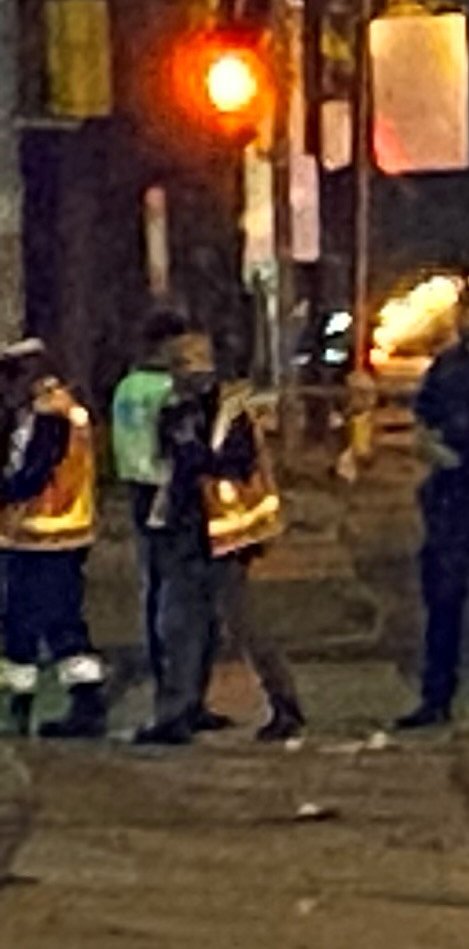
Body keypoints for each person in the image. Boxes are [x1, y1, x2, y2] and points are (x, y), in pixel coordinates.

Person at [137, 335, 302, 747]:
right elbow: (171, 464)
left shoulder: (230, 414)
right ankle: (178, 712)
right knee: (180, 625)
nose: (177, 378)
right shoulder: (177, 412)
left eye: (182, 369)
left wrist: (198, 457)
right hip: (187, 531)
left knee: (244, 624)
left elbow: (236, 463)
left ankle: (285, 706)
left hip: (226, 536)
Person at [0, 341, 111, 735]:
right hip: (40, 535)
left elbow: (32, 474)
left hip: (48, 534)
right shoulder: (49, 410)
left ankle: (84, 705)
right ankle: (29, 703)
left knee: (48, 621)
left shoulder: (53, 415)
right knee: (29, 620)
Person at [401, 288, 469, 729]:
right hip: (452, 494)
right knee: (444, 599)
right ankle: (437, 697)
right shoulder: (449, 368)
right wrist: (434, 452)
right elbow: (422, 425)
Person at [107, 307, 186, 713]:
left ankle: (164, 676)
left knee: (153, 586)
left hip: (135, 487)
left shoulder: (126, 388)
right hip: (165, 490)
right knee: (174, 591)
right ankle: (173, 685)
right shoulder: (165, 390)